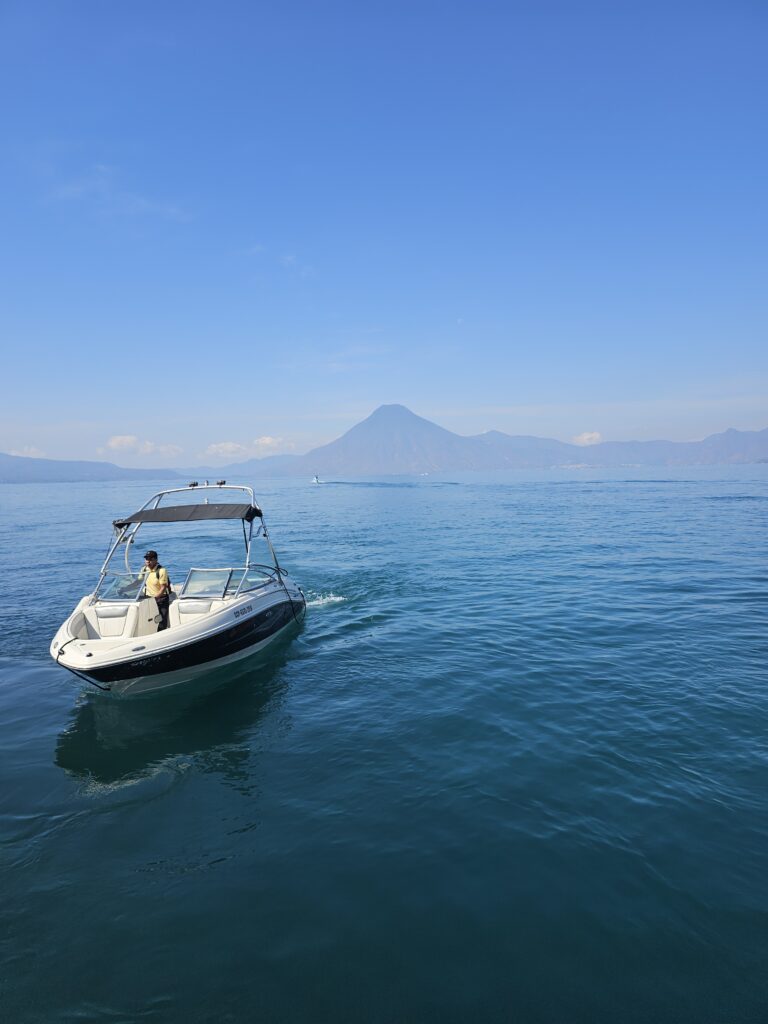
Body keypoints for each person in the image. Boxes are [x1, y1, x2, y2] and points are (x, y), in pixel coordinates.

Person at [139, 550, 171, 631]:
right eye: (146, 559)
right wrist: (125, 589)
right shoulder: (144, 569)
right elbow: (138, 582)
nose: (148, 561)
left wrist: (155, 599)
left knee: (161, 622)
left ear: (156, 560)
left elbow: (163, 588)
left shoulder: (161, 570)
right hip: (148, 599)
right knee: (148, 621)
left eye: (150, 559)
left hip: (161, 599)